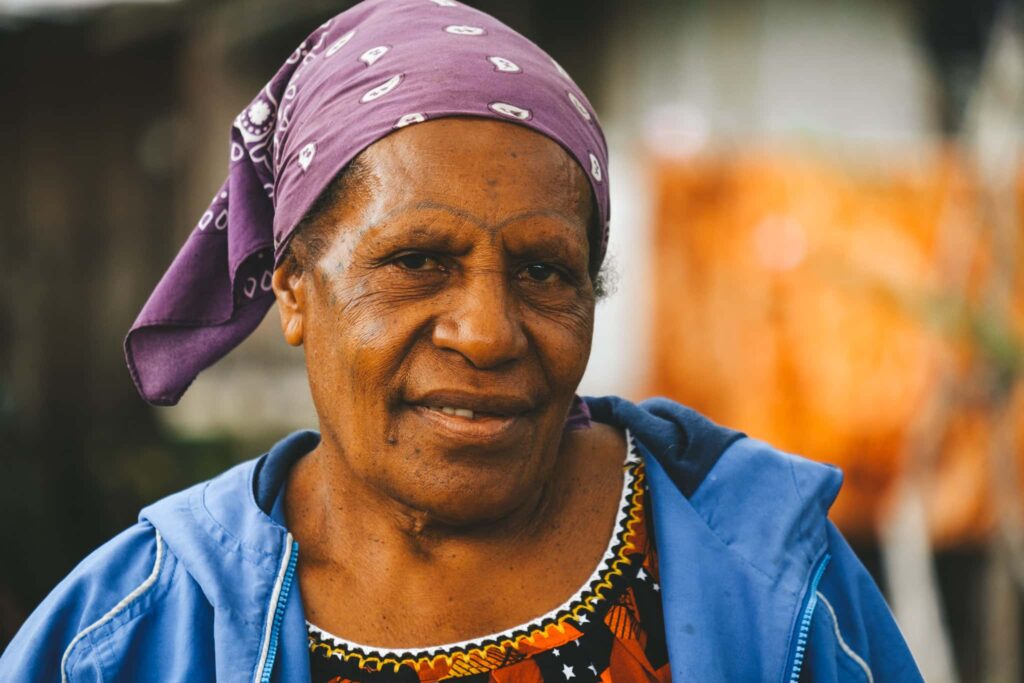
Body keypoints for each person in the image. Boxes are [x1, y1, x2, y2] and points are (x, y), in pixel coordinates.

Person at [0, 0, 923, 681]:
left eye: (544, 271)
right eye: (417, 260)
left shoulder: (771, 575)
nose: (486, 333)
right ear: (293, 289)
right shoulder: (135, 630)